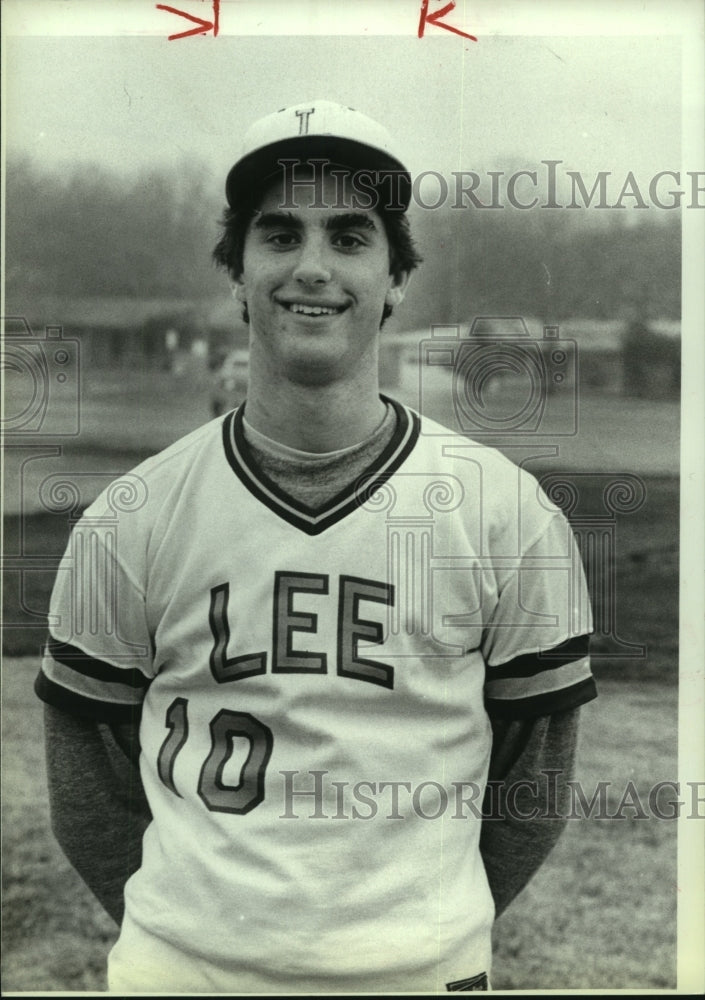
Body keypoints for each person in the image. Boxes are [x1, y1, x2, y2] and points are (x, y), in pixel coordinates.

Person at [36, 99, 596, 993]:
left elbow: (533, 784)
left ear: (395, 276)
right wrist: (189, 939)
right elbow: (85, 780)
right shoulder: (131, 513)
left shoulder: (502, 511)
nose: (311, 268)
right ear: (237, 271)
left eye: (348, 236)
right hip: (183, 977)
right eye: (278, 234)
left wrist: (419, 937)